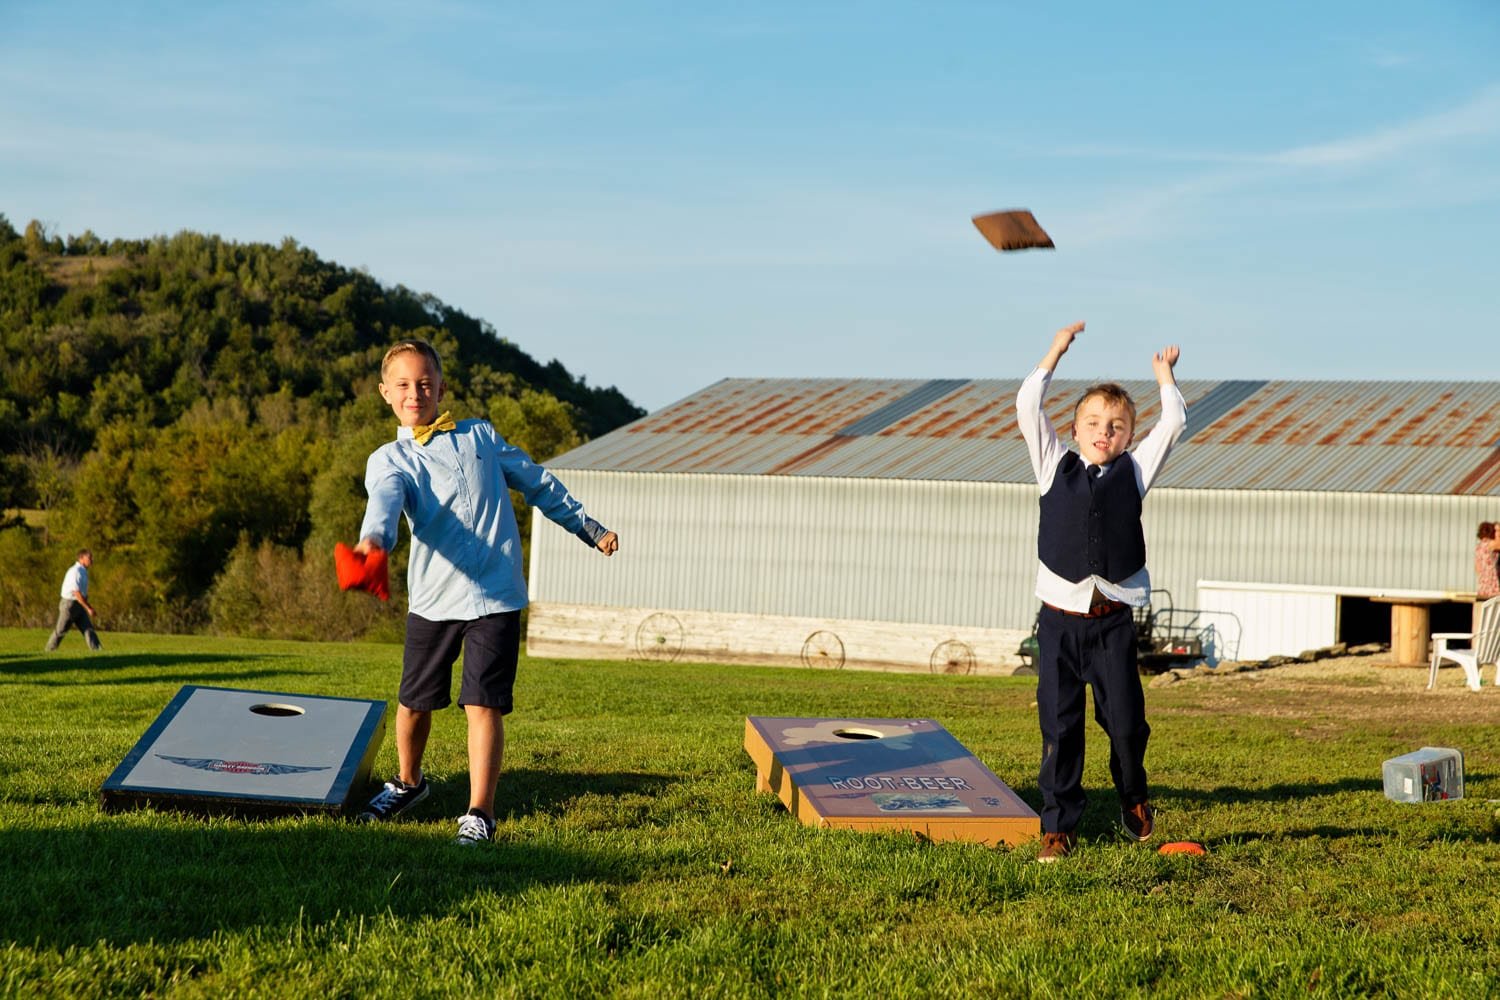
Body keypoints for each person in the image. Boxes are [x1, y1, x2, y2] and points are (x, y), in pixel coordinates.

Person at [350, 340, 619, 846]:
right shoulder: (390, 458)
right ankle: (409, 783)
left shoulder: (481, 436)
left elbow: (538, 483)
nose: (416, 393)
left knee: (483, 704)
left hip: (496, 595)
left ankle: (480, 813)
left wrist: (589, 526)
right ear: (386, 393)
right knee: (414, 702)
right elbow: (383, 505)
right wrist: (372, 545)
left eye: (425, 383)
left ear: (441, 387)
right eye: (404, 385)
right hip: (434, 599)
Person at [1016, 321, 1185, 862]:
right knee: (1059, 726)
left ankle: (1133, 796)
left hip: (1112, 622)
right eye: (1092, 422)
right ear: (1074, 427)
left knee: (1126, 724)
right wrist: (1055, 351)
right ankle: (1058, 825)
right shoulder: (1051, 464)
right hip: (1060, 623)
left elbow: (1175, 420)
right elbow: (1026, 403)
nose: (1103, 431)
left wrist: (1163, 378)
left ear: (1129, 436)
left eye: (1115, 425)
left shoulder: (1134, 472)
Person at [44, 548, 102, 652]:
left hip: (79, 604)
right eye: (89, 558)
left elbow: (82, 594)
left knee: (88, 629)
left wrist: (88, 606)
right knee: (61, 630)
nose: (92, 560)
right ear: (81, 558)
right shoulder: (75, 571)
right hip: (69, 605)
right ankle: (49, 651)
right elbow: (76, 593)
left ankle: (97, 650)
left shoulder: (83, 572)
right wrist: (88, 608)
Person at [1474, 522, 1500, 637]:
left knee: (1482, 620)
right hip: (1492, 588)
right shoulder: (1490, 544)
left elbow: (1477, 568)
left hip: (1483, 587)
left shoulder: (1479, 546)